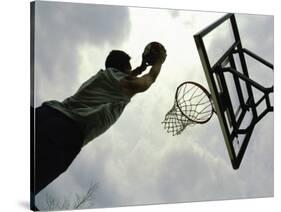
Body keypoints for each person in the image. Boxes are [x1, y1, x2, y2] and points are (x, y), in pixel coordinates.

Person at [31, 42, 167, 204]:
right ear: (124, 67)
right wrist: (158, 61)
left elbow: (127, 76)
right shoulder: (123, 84)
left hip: (44, 113)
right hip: (65, 133)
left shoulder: (104, 76)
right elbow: (147, 81)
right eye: (129, 68)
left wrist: (140, 67)